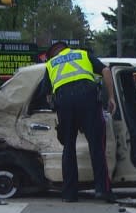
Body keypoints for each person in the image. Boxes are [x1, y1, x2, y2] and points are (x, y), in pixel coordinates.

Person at [43, 41, 117, 203]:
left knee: (68, 147)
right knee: (97, 145)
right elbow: (105, 70)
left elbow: (47, 95)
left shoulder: (50, 64)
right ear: (66, 48)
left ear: (53, 54)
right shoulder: (83, 54)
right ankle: (102, 190)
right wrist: (110, 97)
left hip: (65, 102)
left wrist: (58, 108)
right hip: (88, 98)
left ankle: (69, 194)